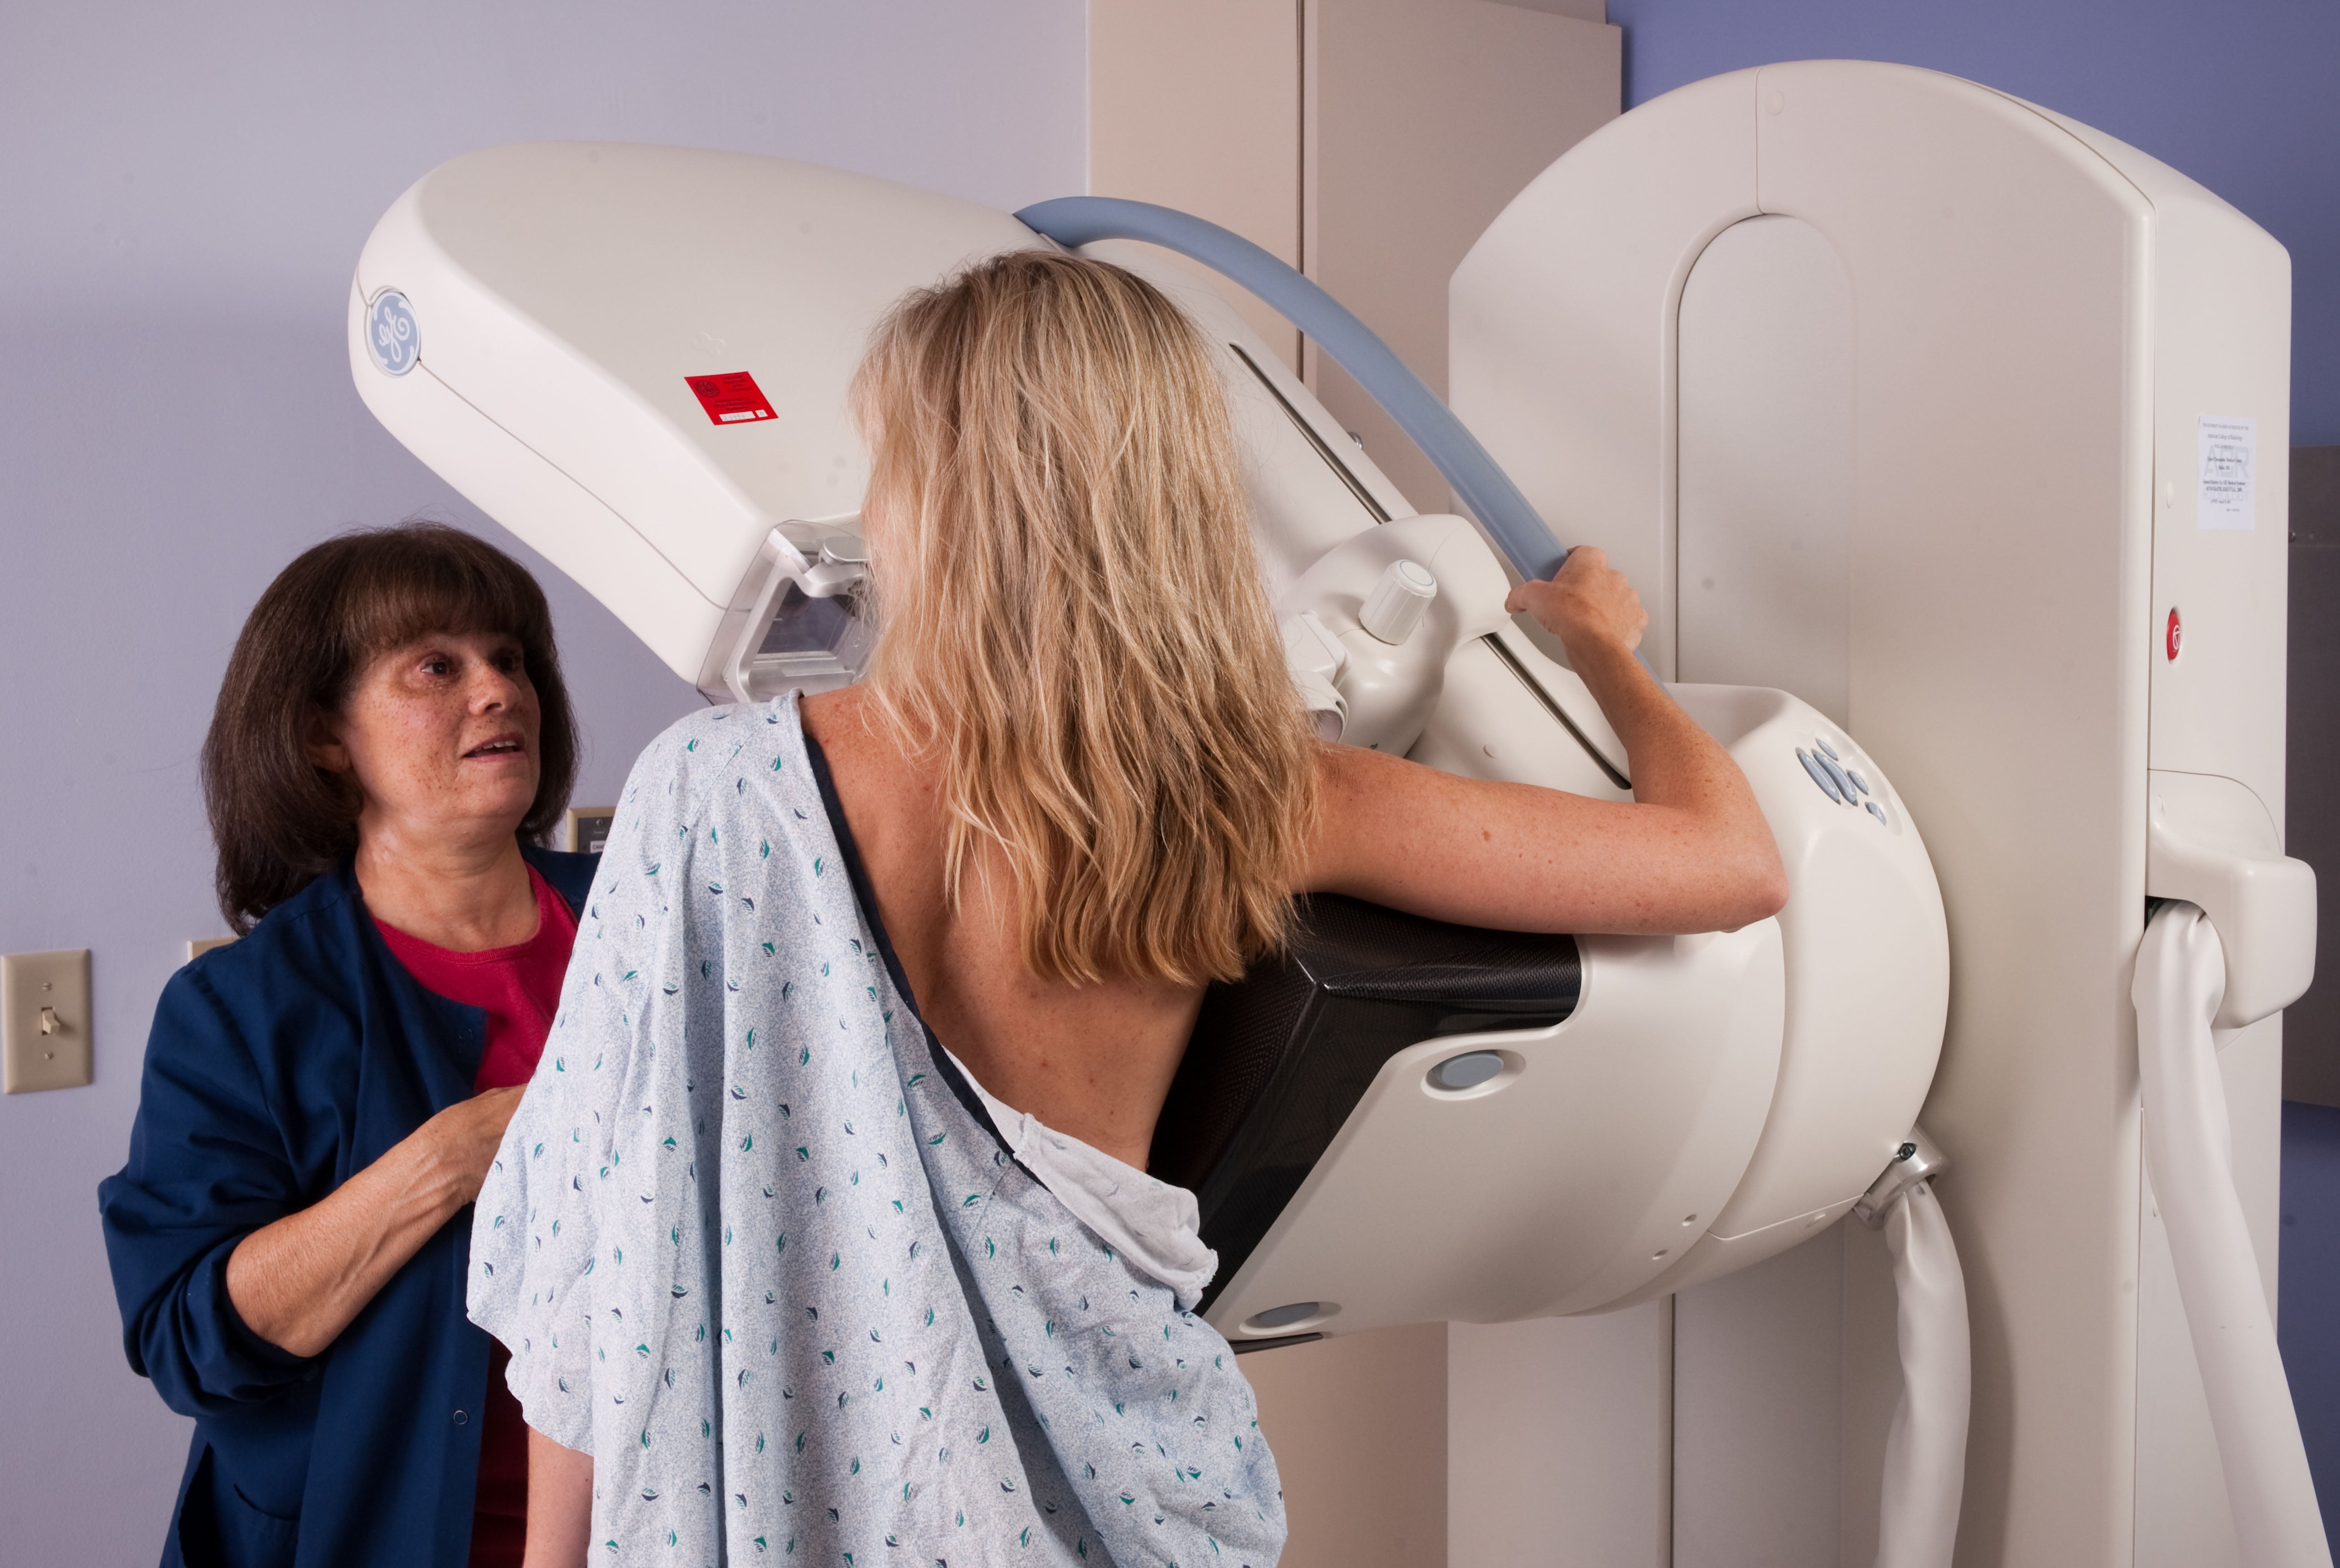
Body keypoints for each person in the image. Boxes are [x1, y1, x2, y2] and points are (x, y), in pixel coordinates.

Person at [477, 252, 1787, 1567]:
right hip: (1106, 1503)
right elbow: (1729, 863)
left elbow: (595, 1260)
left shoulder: (704, 794)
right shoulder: (1257, 793)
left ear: (929, 497)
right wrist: (1605, 649)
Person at [100, 523, 599, 1568]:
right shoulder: (239, 1008)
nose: (498, 689)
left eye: (509, 658)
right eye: (436, 666)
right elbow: (188, 1342)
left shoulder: (650, 925)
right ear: (328, 734)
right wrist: (454, 1156)